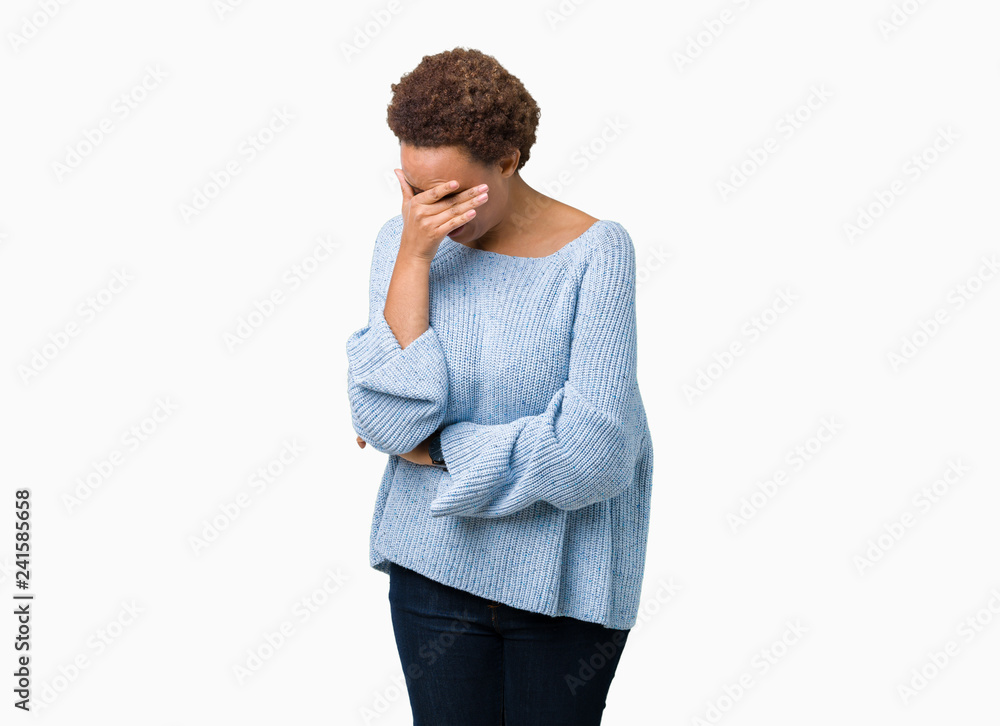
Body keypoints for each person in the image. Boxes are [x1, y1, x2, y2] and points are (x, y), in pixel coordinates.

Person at [346, 47, 654, 726]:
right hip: (430, 567)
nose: (429, 212)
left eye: (450, 194)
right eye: (414, 190)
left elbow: (593, 454)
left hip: (564, 583)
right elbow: (390, 425)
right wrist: (415, 257)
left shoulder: (597, 253)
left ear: (508, 161)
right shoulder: (403, 245)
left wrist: (440, 450)